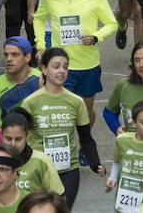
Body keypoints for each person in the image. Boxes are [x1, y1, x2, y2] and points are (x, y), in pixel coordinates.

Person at [33, 0, 116, 119]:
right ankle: (67, 144)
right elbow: (39, 19)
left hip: (88, 65)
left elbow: (112, 24)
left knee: (85, 113)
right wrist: (41, 45)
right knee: (63, 112)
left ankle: (86, 142)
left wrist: (95, 37)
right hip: (61, 65)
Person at [17, 48, 100, 205]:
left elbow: (86, 137)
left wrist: (96, 163)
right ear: (43, 69)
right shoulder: (30, 102)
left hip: (68, 170)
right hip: (38, 169)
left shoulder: (76, 101)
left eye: (65, 67)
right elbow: (20, 139)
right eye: (56, 66)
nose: (62, 71)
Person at [0, 108, 65, 201]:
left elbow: (59, 197)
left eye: (18, 139)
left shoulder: (43, 161)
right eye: (8, 139)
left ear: (27, 136)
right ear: (1, 134)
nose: (13, 144)